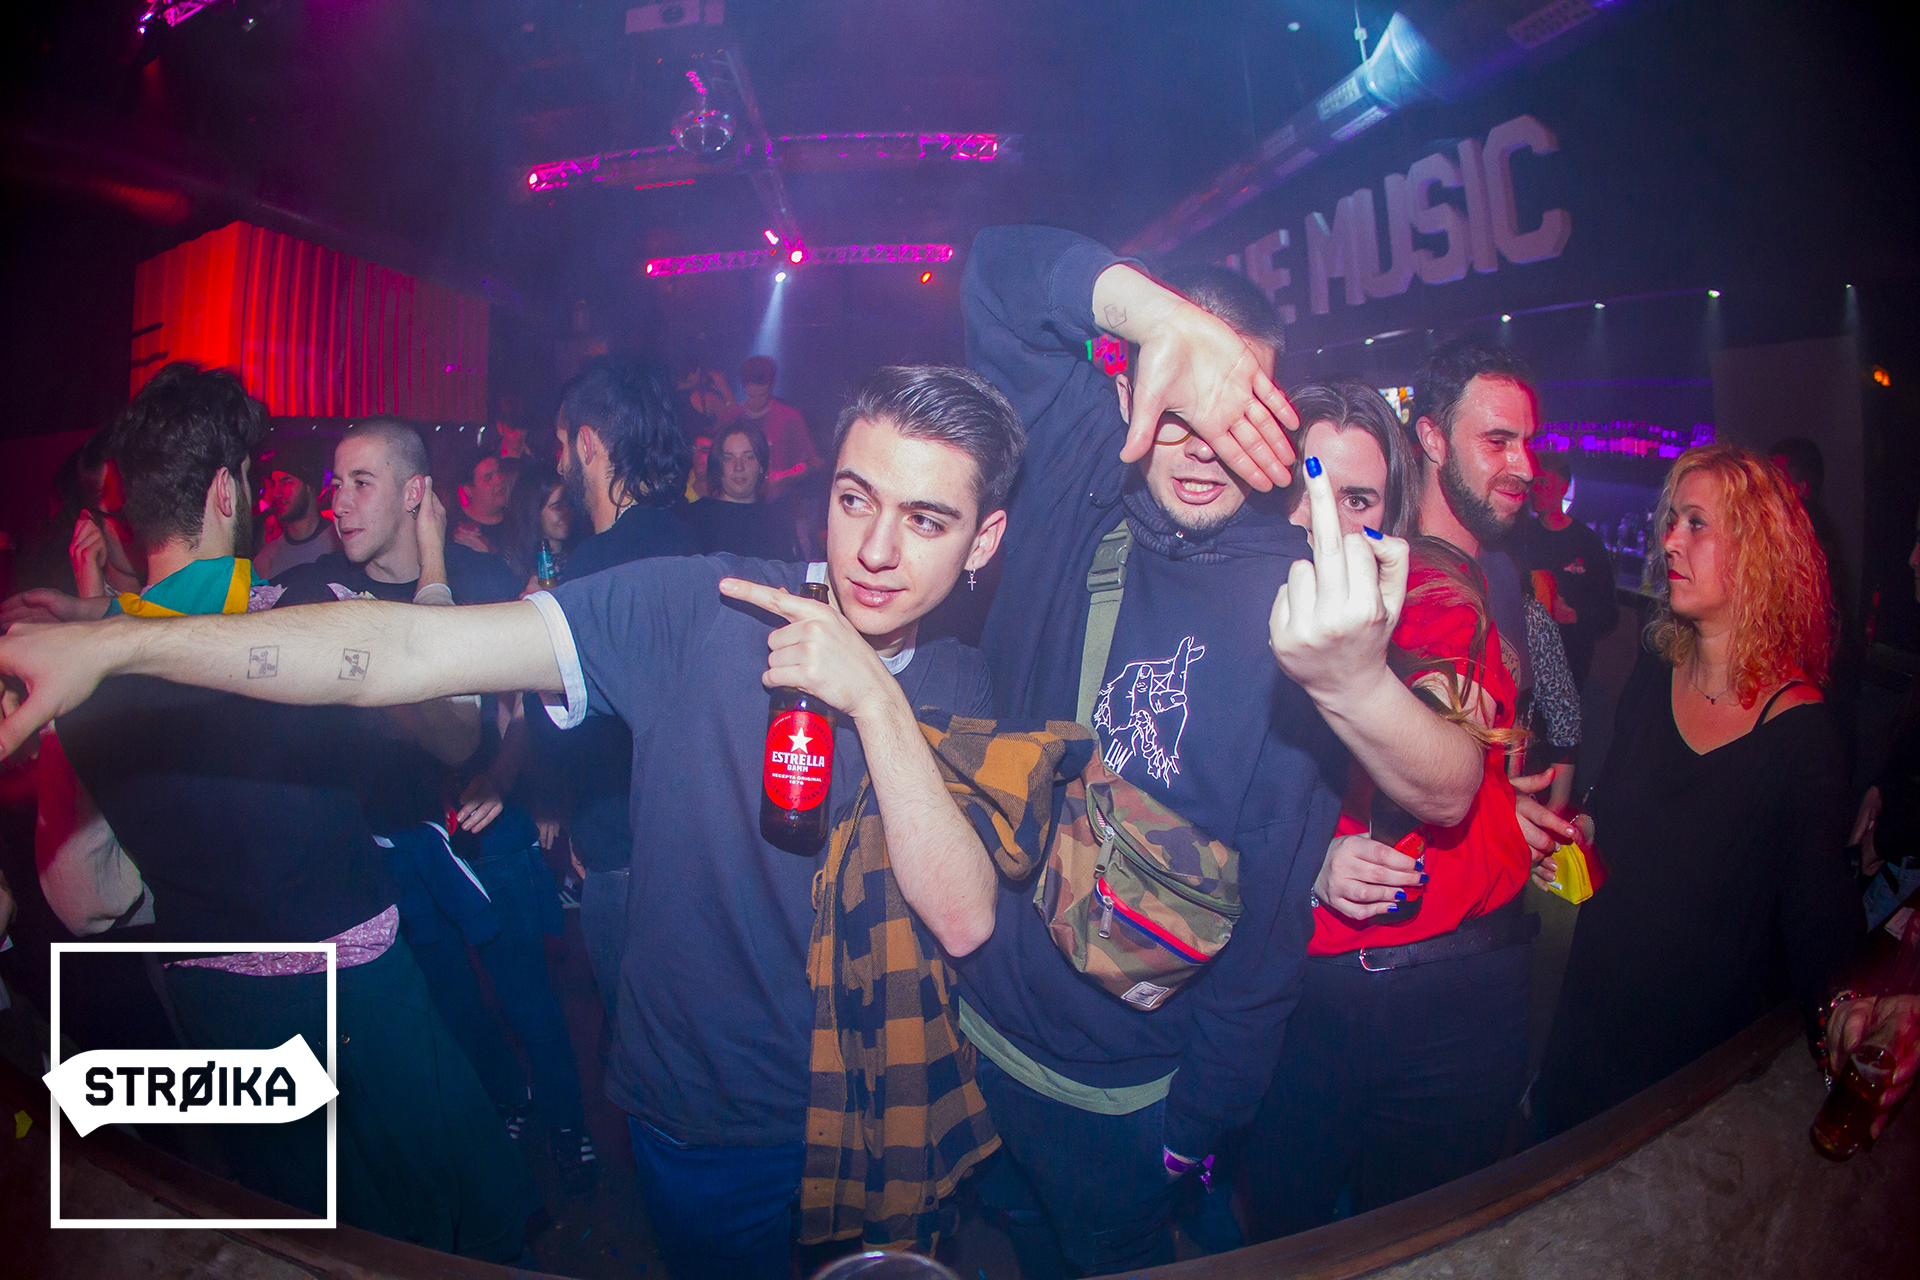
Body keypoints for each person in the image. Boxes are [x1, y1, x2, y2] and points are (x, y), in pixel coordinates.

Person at [0, 365, 1024, 1279]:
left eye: (926, 520)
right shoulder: (701, 609)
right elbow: (400, 652)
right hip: (708, 1114)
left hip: (883, 1103)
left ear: (984, 539)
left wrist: (872, 696)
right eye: (855, 499)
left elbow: (965, 914)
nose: (875, 549)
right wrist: (123, 646)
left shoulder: (967, 681)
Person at [960, 226, 1484, 1275]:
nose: (1206, 445)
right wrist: (1157, 317)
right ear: (1131, 389)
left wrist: (1197, 1124)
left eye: (1240, 412)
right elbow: (994, 274)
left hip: (1118, 1098)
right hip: (969, 1028)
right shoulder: (1072, 470)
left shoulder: (1290, 596)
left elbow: (1280, 901)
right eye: (1184, 408)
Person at [20, 363, 536, 1258]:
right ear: (227, 492)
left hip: (222, 1023)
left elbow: (85, 900)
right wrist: (435, 571)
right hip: (361, 999)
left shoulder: (82, 674)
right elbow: (458, 734)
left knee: (318, 1245)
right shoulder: (306, 614)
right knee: (454, 1236)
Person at [1243, 380, 1536, 1238]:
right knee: (1286, 1239)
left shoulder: (1432, 600)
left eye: (1358, 500)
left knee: (1424, 1246)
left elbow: (1448, 776)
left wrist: (1361, 684)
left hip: (1456, 991)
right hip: (1303, 992)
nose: (1325, 523)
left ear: (1392, 514)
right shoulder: (1232, 609)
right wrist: (1309, 864)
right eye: (1306, 489)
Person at [273, 421, 593, 1178]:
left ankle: (568, 1123)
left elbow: (523, 711)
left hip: (483, 830)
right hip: (390, 839)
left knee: (526, 996)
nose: (340, 502)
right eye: (337, 483)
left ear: (415, 492)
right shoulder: (324, 587)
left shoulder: (480, 578)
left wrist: (503, 777)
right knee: (450, 999)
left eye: (362, 482)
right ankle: (509, 1101)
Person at [1531, 444, 1869, 1137]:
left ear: (1756, 553)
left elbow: (1819, 918)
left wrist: (1848, 1010)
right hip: (1596, 996)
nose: (1669, 541)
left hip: (1687, 1049)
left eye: (1696, 524)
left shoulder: (1800, 732)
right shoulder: (1658, 666)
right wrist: (1576, 831)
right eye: (1671, 521)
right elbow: (1613, 800)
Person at [1517, 450, 1618, 689]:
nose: (1536, 490)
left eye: (1543, 483)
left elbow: (1610, 615)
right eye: (1533, 484)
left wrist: (1573, 615)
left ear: (1563, 488)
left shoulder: (1587, 543)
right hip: (1524, 665)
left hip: (1568, 666)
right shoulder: (1520, 536)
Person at [683, 422, 802, 560]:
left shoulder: (779, 522)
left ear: (761, 466)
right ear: (717, 465)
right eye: (728, 458)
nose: (738, 467)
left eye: (748, 457)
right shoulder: (694, 517)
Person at [716, 355, 821, 498]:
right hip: (737, 501)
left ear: (771, 386)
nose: (756, 401)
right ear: (744, 387)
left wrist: (783, 476)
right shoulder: (730, 418)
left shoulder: (789, 417)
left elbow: (807, 464)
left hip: (777, 503)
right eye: (752, 395)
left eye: (762, 395)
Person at [252, 434, 343, 580]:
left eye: (285, 482)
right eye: (274, 483)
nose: (276, 493)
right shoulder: (264, 562)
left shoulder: (342, 547)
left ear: (310, 484)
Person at [498, 462, 576, 589]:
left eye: (567, 503)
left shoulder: (580, 554)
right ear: (534, 512)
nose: (565, 512)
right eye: (556, 507)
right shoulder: (514, 563)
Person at [453, 451, 520, 556]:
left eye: (499, 471)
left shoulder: (518, 521)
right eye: (488, 477)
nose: (499, 479)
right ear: (468, 490)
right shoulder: (454, 527)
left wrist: (488, 553)